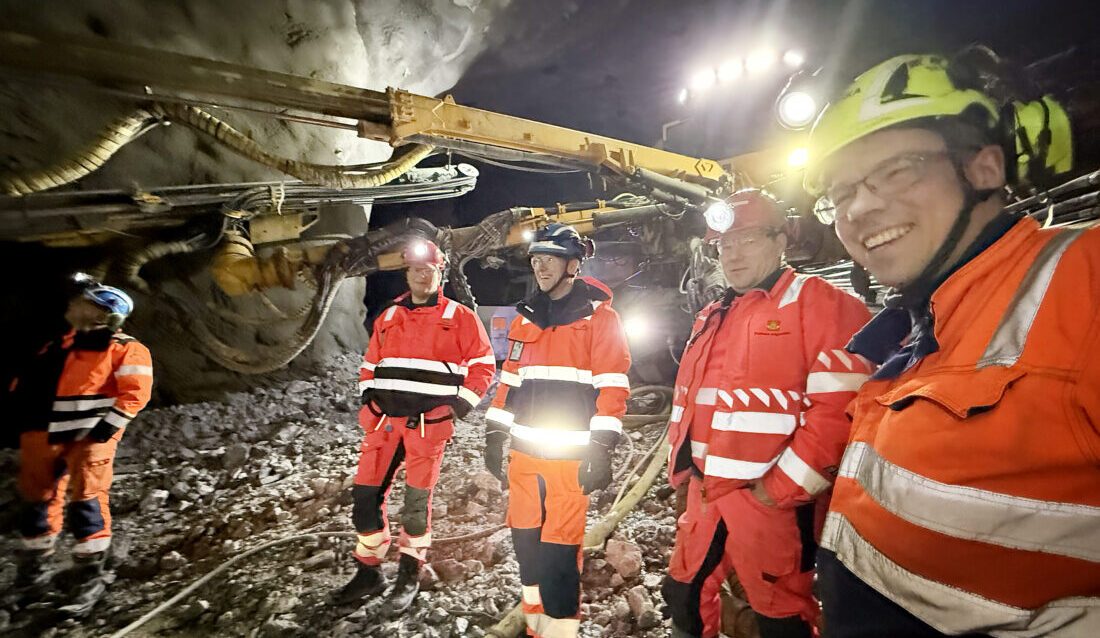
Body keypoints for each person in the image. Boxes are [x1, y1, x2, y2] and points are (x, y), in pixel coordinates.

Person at [803, 52, 1097, 636]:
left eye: (897, 170)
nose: (859, 207)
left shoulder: (1083, 278)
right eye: (839, 195)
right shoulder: (911, 334)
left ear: (984, 168)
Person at [661, 190, 873, 638]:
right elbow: (693, 404)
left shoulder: (823, 305)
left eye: (748, 239)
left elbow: (842, 413)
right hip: (706, 492)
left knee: (781, 615)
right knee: (682, 593)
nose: (733, 254)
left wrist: (780, 491)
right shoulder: (712, 314)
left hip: (770, 501)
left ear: (781, 240)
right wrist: (682, 473)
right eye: (724, 244)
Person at [484, 223, 631, 638]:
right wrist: (494, 436)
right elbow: (508, 385)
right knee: (528, 556)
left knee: (558, 561)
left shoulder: (601, 320)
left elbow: (613, 388)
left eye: (549, 258)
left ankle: (560, 632)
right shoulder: (526, 319)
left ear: (573, 264)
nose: (540, 266)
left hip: (569, 464)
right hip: (524, 461)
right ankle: (536, 629)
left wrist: (602, 447)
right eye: (535, 259)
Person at [338, 239, 495, 614]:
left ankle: (409, 573)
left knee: (415, 506)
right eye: (415, 269)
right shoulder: (389, 315)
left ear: (440, 272)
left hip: (428, 425)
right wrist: (368, 401)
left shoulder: (460, 317)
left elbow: (484, 366)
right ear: (407, 273)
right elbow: (370, 366)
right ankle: (369, 571)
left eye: (429, 269)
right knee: (363, 501)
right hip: (385, 425)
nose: (422, 275)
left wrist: (457, 407)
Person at [10, 274, 153, 616]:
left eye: (83, 299)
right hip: (41, 438)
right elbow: (24, 386)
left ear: (103, 312)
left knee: (85, 504)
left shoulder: (124, 347)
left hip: (87, 439)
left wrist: (104, 431)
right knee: (36, 505)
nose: (73, 303)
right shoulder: (56, 347)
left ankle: (87, 580)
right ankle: (31, 580)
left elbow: (135, 393)